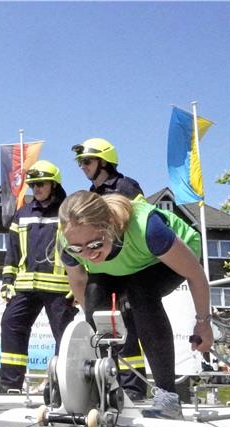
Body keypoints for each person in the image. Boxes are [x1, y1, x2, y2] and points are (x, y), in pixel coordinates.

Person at [58, 191, 211, 419]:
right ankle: (105, 390)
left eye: (94, 244)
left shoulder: (147, 228)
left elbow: (196, 275)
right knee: (94, 295)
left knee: (141, 291)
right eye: (78, 249)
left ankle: (168, 397)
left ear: (110, 226)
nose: (87, 255)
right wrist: (95, 323)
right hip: (117, 267)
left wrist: (203, 324)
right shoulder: (67, 238)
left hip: (161, 260)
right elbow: (79, 282)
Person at [72, 138, 148, 400]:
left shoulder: (126, 186)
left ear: (104, 162)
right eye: (80, 162)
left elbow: (137, 222)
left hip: (128, 266)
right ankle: (103, 384)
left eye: (86, 161)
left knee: (128, 323)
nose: (82, 166)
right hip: (101, 268)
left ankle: (134, 389)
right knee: (94, 320)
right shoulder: (90, 196)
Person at [0, 160, 77, 394]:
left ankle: (62, 387)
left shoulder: (68, 212)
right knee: (11, 324)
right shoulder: (22, 213)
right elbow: (12, 252)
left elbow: (81, 250)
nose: (36, 188)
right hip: (25, 287)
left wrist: (78, 285)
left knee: (65, 337)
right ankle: (10, 384)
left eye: (41, 184)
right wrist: (7, 283)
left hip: (60, 289)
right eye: (33, 185)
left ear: (54, 184)